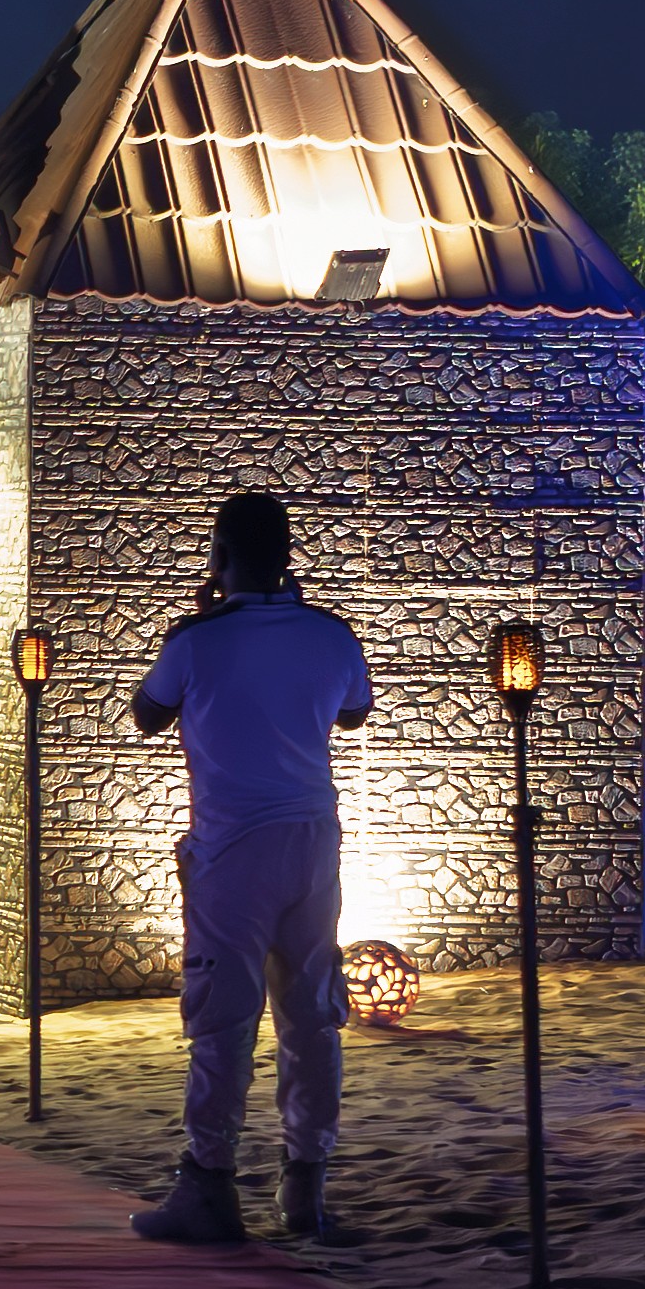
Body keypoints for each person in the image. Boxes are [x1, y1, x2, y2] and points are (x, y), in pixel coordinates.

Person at [128, 486, 380, 1243]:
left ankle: (210, 1183)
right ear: (289, 557)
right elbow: (354, 712)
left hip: (232, 849)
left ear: (219, 555)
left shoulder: (196, 641)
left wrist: (207, 615)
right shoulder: (333, 636)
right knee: (312, 1018)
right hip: (312, 843)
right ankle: (305, 1186)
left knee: (223, 1020)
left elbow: (147, 711)